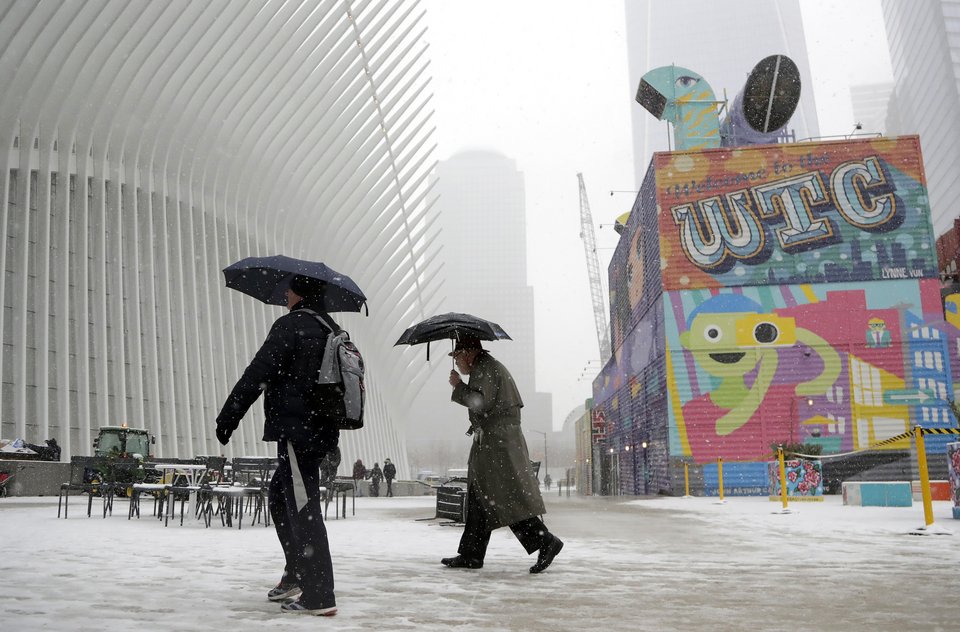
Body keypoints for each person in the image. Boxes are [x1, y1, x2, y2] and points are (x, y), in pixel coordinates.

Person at [215, 274, 341, 617]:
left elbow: (257, 373)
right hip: (319, 432)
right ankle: (297, 571)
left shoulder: (292, 326)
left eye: (288, 290)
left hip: (298, 432)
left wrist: (228, 417)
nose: (285, 294)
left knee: (303, 507)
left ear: (297, 293)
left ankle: (319, 595)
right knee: (282, 497)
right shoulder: (330, 328)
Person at [441, 337, 564, 574]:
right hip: (494, 442)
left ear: (468, 353)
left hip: (498, 444)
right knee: (480, 497)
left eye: (457, 357)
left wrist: (458, 386)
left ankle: (545, 541)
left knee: (505, 498)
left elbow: (481, 402)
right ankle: (471, 554)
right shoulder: (484, 368)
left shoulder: (486, 368)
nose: (456, 363)